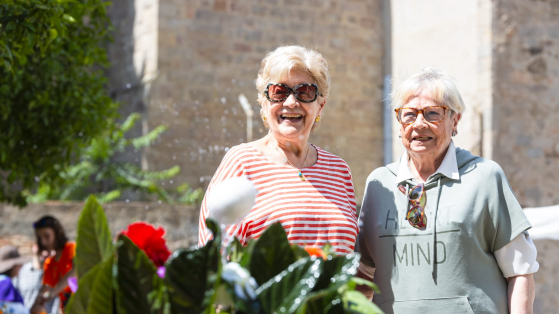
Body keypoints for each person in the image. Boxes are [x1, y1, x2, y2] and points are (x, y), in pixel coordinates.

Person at [356, 68, 538, 313]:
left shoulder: (485, 177)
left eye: (433, 114)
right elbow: (365, 274)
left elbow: (520, 271)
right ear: (399, 124)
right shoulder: (379, 184)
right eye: (409, 115)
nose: (419, 124)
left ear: (455, 120)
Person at [198, 45, 358, 254]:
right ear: (264, 104)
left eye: (305, 92)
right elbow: (213, 252)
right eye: (279, 92)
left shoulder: (338, 170)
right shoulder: (242, 162)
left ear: (320, 106)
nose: (291, 102)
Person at [33, 216, 75, 313]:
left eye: (47, 236)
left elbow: (75, 270)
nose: (43, 242)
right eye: (40, 238)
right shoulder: (49, 263)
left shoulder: (71, 248)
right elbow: (46, 289)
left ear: (57, 233)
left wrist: (53, 292)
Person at [13, 244, 59, 313]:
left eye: (49, 249)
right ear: (34, 247)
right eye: (42, 248)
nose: (45, 253)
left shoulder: (59, 275)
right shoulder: (20, 272)